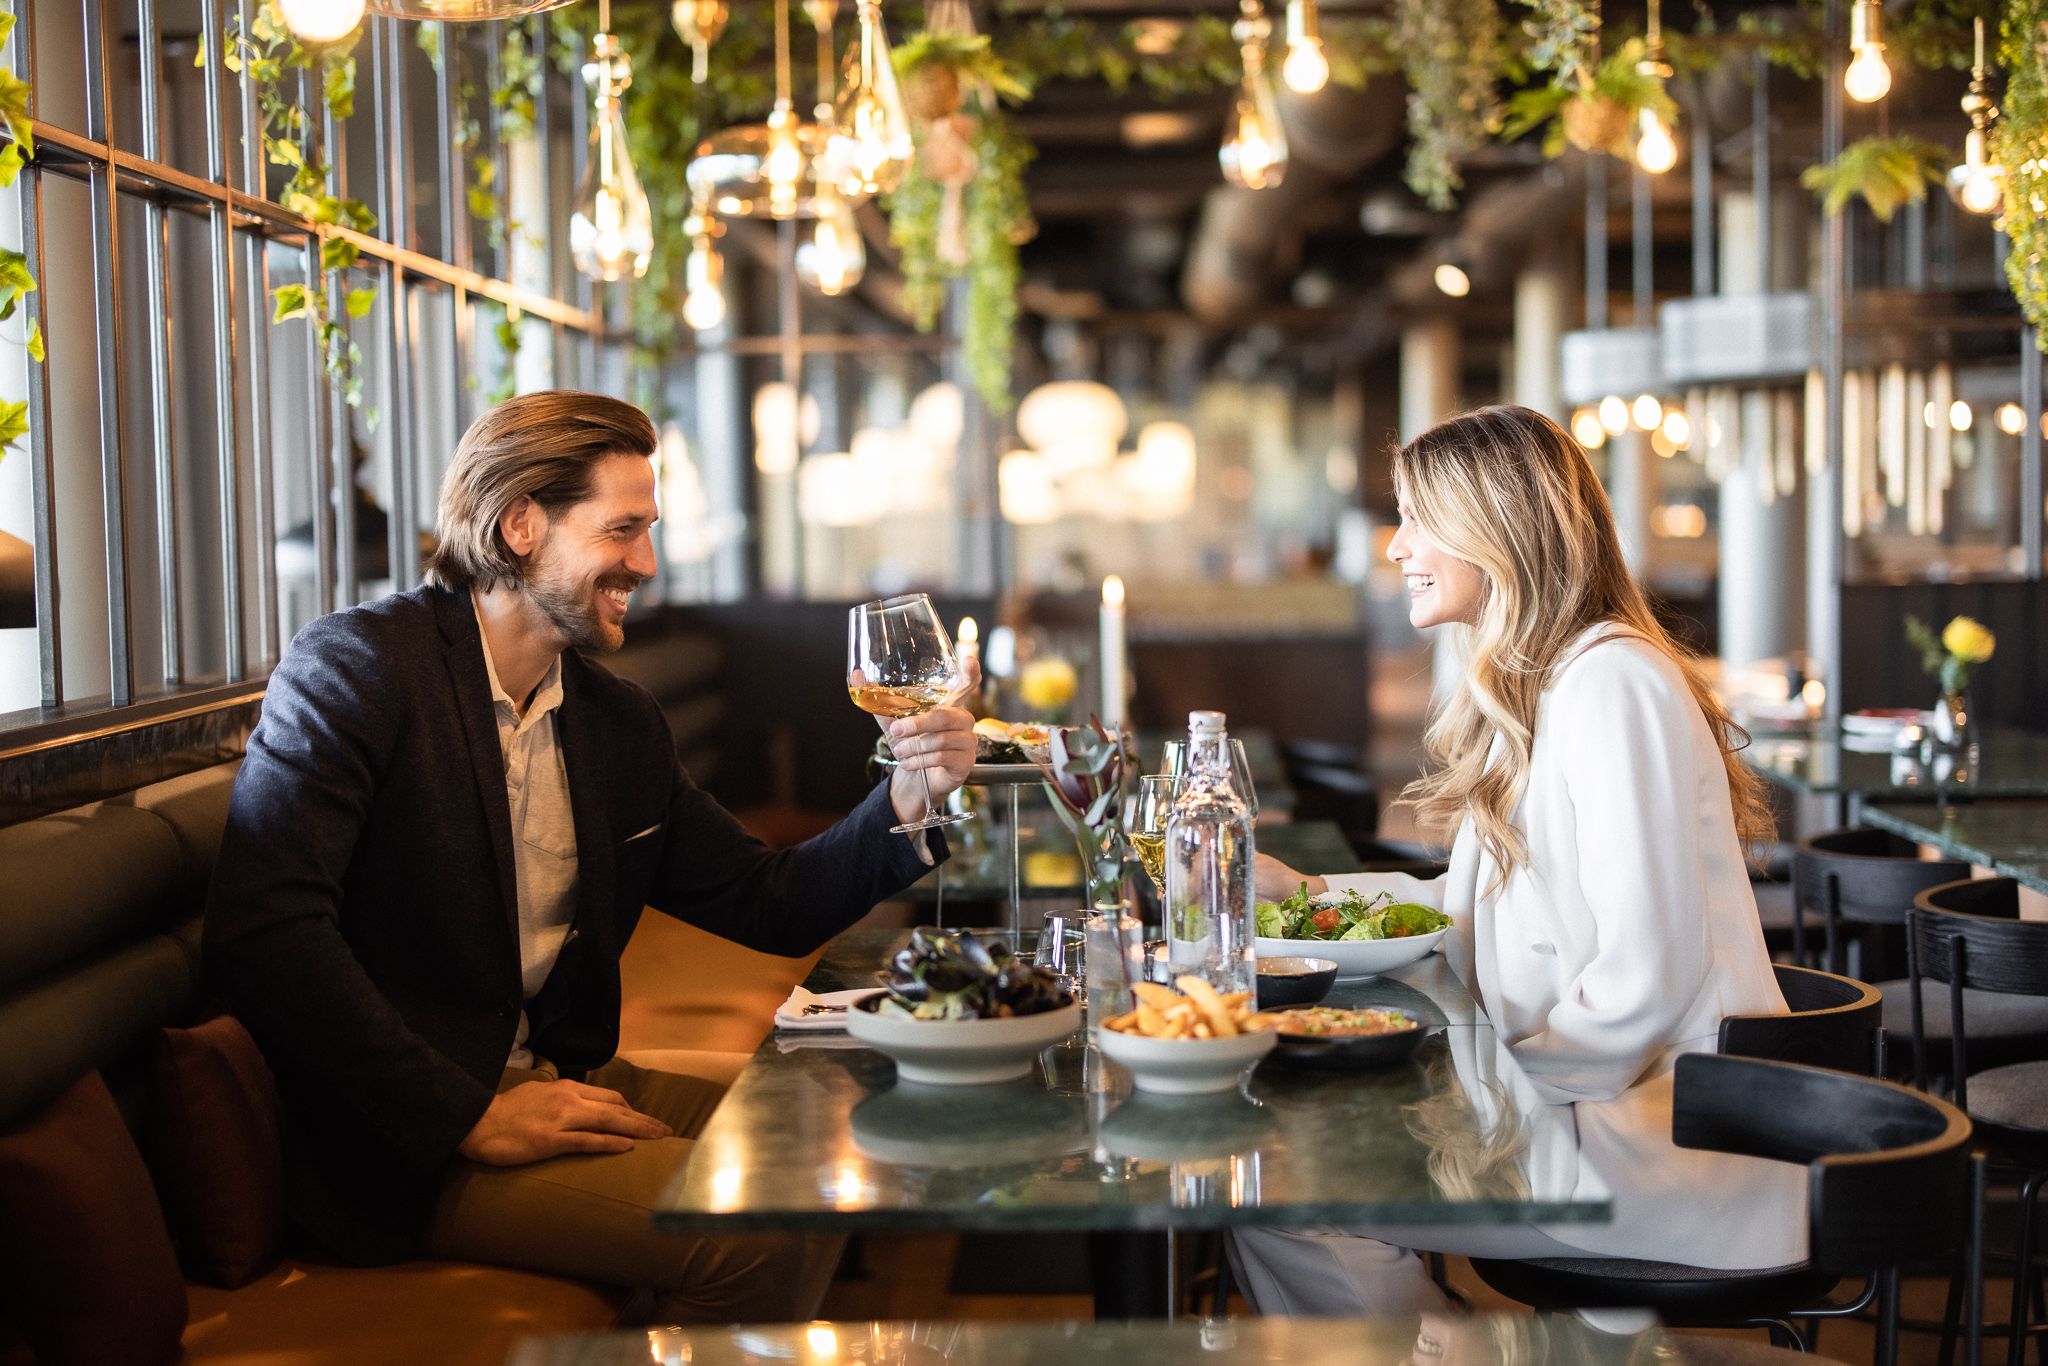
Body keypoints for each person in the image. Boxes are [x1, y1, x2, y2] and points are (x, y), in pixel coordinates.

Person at [203, 391, 976, 1321]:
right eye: (622, 531)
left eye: (648, 532)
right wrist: (468, 1114)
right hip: (398, 1140)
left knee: (843, 1124)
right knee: (759, 1227)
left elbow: (769, 900)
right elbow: (267, 933)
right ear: (520, 523)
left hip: (555, 1078)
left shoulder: (614, 722)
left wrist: (910, 796)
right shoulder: (359, 669)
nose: (644, 564)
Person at [1232, 404, 1799, 1315]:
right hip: (1592, 1123)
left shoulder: (1613, 683)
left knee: (1279, 1192)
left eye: (1418, 518)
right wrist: (1311, 893)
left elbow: (1645, 977)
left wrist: (1473, 1098)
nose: (1396, 546)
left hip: (1662, 1154)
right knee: (1275, 1166)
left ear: (1494, 528)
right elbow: (1469, 910)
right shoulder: (1546, 684)